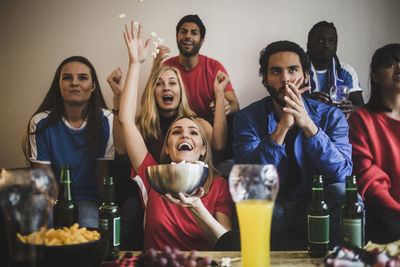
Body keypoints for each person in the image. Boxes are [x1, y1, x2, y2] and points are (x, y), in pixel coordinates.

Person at [119, 21, 234, 250]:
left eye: (193, 132)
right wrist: (135, 63)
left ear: (203, 148)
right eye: (176, 132)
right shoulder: (152, 178)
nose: (185, 135)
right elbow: (125, 121)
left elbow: (227, 246)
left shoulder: (219, 185)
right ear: (167, 148)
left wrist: (195, 206)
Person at [233, 40, 354, 249]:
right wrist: (282, 127)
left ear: (306, 75)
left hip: (315, 205)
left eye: (292, 70)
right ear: (265, 80)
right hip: (271, 208)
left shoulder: (331, 116)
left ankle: (346, 261)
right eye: (276, 72)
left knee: (347, 195)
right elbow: (249, 179)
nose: (285, 79)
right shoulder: (246, 118)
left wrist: (309, 127)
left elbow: (342, 174)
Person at [22, 56, 115, 228]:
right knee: (44, 230)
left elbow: (101, 173)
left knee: (90, 230)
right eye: (67, 78)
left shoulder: (107, 119)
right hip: (53, 200)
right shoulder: (40, 122)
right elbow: (44, 179)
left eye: (82, 78)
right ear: (59, 85)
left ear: (93, 86)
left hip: (90, 199)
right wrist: (64, 211)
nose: (74, 82)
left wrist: (107, 210)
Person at [348, 43, 400, 244]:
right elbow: (367, 178)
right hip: (384, 210)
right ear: (376, 76)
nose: (399, 69)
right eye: (390, 64)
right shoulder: (361, 119)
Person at [152, 14, 239, 123]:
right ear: (177, 37)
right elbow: (148, 103)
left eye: (194, 33)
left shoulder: (214, 67)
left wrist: (225, 107)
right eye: (183, 31)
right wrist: (155, 67)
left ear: (202, 41)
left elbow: (235, 104)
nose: (188, 36)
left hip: (209, 129)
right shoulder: (166, 66)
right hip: (175, 127)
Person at [306, 21, 364, 118]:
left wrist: (351, 108)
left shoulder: (346, 71)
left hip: (336, 126)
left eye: (332, 41)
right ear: (309, 44)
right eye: (321, 41)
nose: (327, 45)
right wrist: (306, 101)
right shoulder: (296, 69)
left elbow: (360, 105)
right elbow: (283, 103)